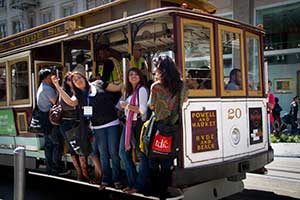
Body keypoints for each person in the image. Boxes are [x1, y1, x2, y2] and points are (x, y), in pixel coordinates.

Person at [51, 66, 123, 189]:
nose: (78, 80)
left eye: (79, 77)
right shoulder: (79, 95)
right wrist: (57, 86)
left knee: (113, 153)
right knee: (103, 154)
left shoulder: (99, 84)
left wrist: (125, 86)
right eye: (75, 80)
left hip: (112, 124)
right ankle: (106, 179)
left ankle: (117, 179)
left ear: (84, 77)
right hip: (97, 127)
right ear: (73, 84)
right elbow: (70, 102)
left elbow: (118, 88)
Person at [148, 56, 187, 198]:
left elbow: (151, 106)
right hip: (173, 127)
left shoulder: (156, 87)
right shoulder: (182, 85)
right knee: (167, 160)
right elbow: (184, 102)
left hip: (158, 126)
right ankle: (163, 190)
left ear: (160, 69)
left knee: (153, 158)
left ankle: (154, 189)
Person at [59, 72, 99, 182]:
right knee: (74, 149)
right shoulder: (65, 92)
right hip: (68, 124)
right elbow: (70, 104)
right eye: (68, 79)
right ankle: (80, 173)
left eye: (72, 79)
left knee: (83, 148)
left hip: (80, 123)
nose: (70, 81)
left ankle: (85, 173)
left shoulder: (80, 91)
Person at [119, 68, 149, 194]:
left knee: (141, 156)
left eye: (136, 74)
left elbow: (142, 110)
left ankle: (138, 185)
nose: (133, 76)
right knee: (123, 153)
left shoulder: (142, 90)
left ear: (140, 76)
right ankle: (132, 183)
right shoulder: (130, 92)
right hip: (129, 124)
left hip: (137, 125)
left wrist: (126, 106)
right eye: (131, 74)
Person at [37, 68, 66, 175]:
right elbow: (55, 102)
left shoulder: (41, 87)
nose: (52, 78)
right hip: (50, 121)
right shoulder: (48, 89)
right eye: (50, 76)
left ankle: (49, 167)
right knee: (56, 143)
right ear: (47, 77)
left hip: (44, 120)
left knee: (48, 145)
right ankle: (56, 168)